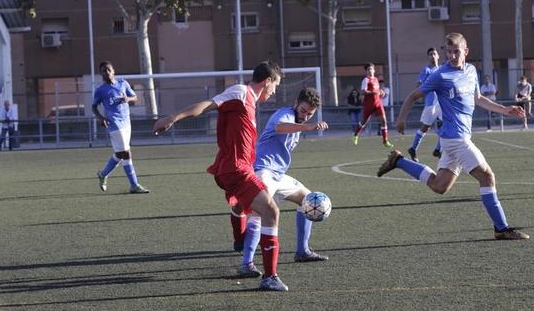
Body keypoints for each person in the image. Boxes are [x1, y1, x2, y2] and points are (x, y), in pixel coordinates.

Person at [377, 32, 529, 240]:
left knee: (440, 186)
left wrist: (505, 109)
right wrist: (401, 118)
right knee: (487, 176)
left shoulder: (472, 71)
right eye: (448, 52)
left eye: (456, 51)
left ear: (466, 51)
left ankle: (399, 161)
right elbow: (414, 95)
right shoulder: (440, 74)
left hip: (459, 138)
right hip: (455, 139)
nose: (452, 55)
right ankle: (501, 229)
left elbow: (478, 98)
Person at [153, 61, 290, 292]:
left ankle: (240, 240)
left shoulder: (250, 101)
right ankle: (269, 276)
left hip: (237, 167)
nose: (275, 90)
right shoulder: (240, 92)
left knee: (251, 207)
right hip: (236, 168)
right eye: (275, 85)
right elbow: (207, 105)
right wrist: (174, 117)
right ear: (267, 81)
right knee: (270, 210)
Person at [232, 87, 330, 278]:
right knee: (259, 213)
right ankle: (246, 263)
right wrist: (308, 127)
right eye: (303, 111)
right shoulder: (284, 114)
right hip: (263, 171)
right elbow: (280, 127)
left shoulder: (299, 120)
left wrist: (305, 124)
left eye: (310, 114)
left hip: (278, 174)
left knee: (309, 199)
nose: (305, 116)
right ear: (296, 104)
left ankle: (302, 251)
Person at [92, 61, 150, 194]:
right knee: (126, 153)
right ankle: (134, 185)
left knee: (120, 153)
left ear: (113, 71)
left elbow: (135, 98)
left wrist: (128, 99)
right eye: (103, 71)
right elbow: (93, 107)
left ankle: (103, 173)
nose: (106, 72)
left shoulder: (123, 83)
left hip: (126, 122)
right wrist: (101, 118)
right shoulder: (100, 90)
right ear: (100, 74)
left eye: (108, 70)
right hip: (114, 123)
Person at [408, 47, 442, 162]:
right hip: (431, 103)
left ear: (438, 56)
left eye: (434, 54)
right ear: (428, 57)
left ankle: (438, 149)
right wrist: (419, 95)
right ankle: (413, 148)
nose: (432, 56)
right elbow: (419, 85)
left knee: (447, 125)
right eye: (430, 54)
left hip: (442, 103)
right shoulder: (427, 70)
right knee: (425, 127)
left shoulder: (442, 69)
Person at [352, 63, 393, 148]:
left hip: (378, 103)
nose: (370, 71)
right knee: (364, 122)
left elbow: (378, 91)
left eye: (371, 69)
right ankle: (355, 135)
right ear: (366, 71)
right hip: (369, 105)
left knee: (384, 121)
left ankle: (385, 141)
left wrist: (382, 93)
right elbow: (363, 91)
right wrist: (374, 92)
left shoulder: (376, 79)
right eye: (368, 69)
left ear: (374, 70)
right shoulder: (365, 80)